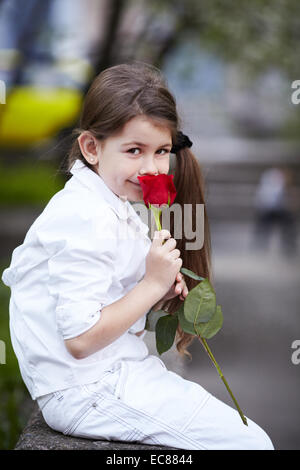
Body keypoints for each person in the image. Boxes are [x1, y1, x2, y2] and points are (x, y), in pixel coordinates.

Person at [1, 62, 274, 450]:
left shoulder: (113, 205)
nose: (150, 168)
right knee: (252, 445)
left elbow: (114, 306)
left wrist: (158, 291)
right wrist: (150, 284)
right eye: (134, 150)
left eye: (161, 151)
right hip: (87, 391)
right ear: (91, 148)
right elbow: (79, 339)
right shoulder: (82, 216)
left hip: (114, 376)